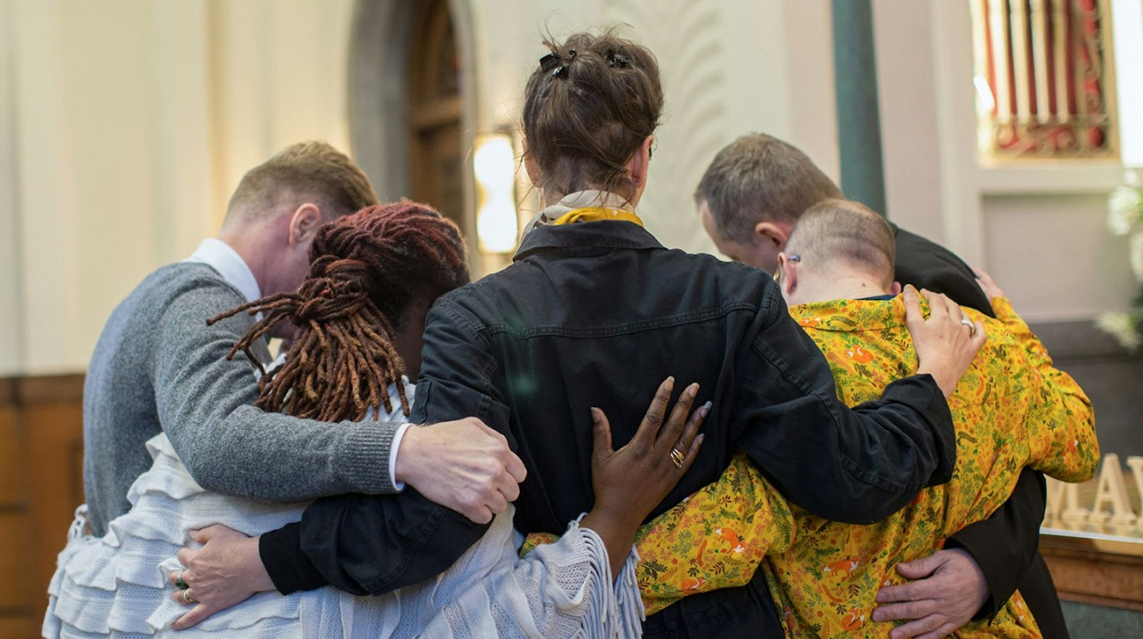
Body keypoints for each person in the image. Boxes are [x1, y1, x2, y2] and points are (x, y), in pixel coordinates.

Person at [177, 31, 984, 638]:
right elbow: (848, 476)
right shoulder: (734, 297)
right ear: (641, 161)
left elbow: (432, 525)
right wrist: (930, 384)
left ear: (529, 163)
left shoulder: (474, 317)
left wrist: (266, 560)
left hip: (572, 618)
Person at [46, 201, 704, 638]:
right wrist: (612, 519)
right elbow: (517, 622)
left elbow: (95, 583)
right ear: (438, 320)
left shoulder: (208, 447)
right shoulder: (441, 455)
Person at [628, 199, 1098, 638]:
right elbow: (1082, 447)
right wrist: (1010, 324)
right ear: (893, 287)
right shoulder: (984, 344)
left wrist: (573, 563)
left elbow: (729, 528)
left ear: (786, 273)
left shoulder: (788, 371)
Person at [81, 141, 523, 545]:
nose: (331, 290)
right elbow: (217, 442)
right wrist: (404, 450)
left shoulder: (163, 292)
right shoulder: (199, 301)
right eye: (329, 262)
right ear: (303, 225)